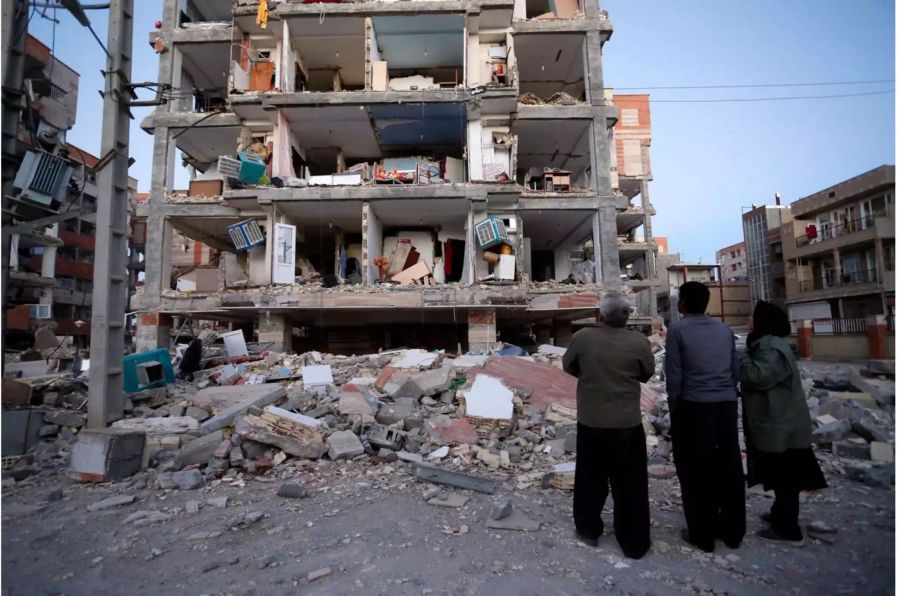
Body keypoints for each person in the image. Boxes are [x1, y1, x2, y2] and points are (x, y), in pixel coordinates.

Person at [563, 292, 655, 559]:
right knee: (631, 484)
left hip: (592, 421)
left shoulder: (583, 338)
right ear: (627, 316)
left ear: (600, 315)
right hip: (627, 423)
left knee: (590, 478)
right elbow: (646, 374)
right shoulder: (639, 342)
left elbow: (569, 366)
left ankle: (589, 530)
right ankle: (634, 542)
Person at [665, 281, 745, 553]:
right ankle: (733, 532)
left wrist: (675, 411)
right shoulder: (724, 330)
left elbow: (674, 376)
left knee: (696, 471)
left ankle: (703, 534)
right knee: (729, 467)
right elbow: (735, 369)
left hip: (694, 406)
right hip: (725, 404)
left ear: (683, 303)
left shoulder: (677, 330)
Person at [741, 301, 826, 544]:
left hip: (782, 426)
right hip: (781, 423)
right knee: (782, 476)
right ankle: (780, 515)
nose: (748, 318)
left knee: (787, 480)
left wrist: (741, 360)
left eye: (752, 315)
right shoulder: (769, 345)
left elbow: (757, 376)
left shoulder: (771, 348)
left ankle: (787, 529)